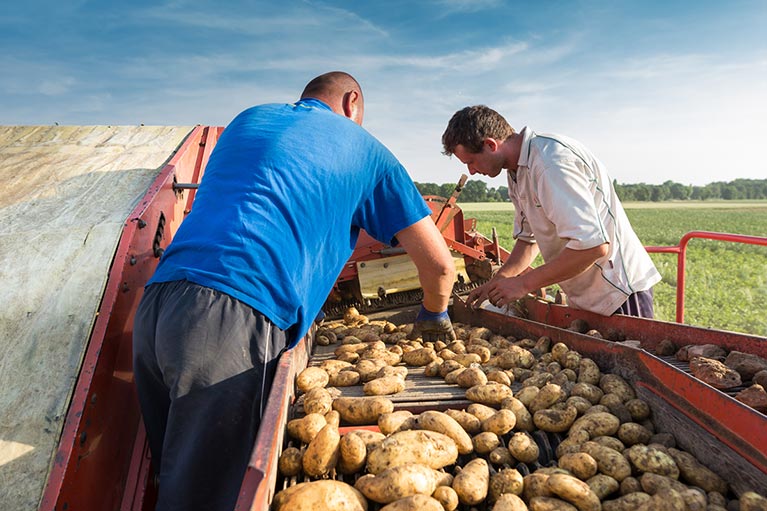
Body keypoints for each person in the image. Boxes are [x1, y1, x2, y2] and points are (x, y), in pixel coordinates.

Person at [132, 71, 457, 511]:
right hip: (234, 316)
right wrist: (434, 316)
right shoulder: (367, 151)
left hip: (158, 307)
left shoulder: (248, 120)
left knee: (176, 476)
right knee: (211, 497)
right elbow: (438, 266)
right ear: (352, 102)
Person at [441, 105, 661, 318]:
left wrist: (523, 284)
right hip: (584, 294)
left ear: (490, 145)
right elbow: (529, 240)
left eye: (471, 161)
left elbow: (592, 246)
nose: (471, 170)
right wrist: (499, 281)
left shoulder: (551, 162)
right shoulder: (517, 171)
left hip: (617, 292)